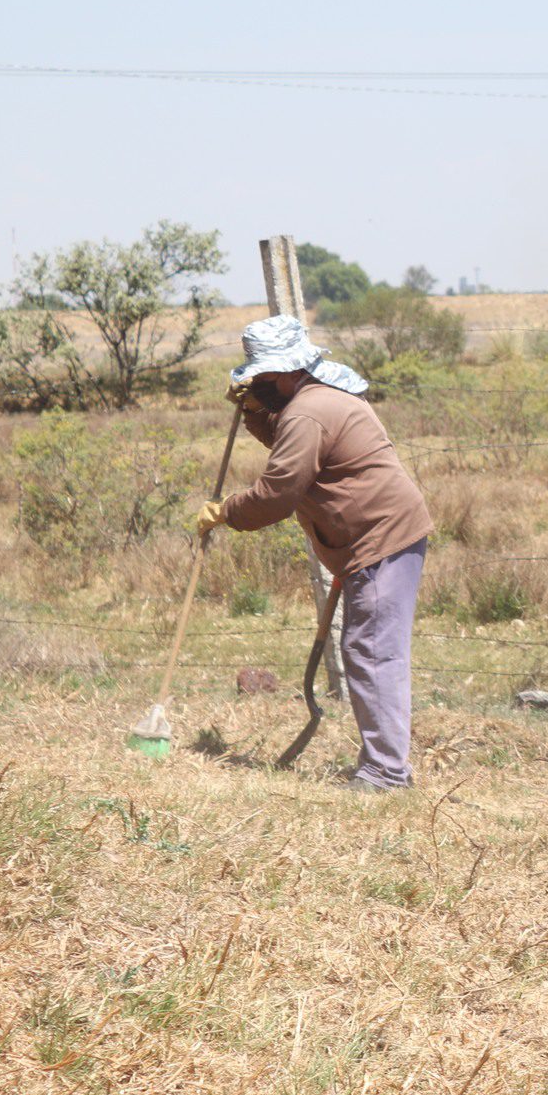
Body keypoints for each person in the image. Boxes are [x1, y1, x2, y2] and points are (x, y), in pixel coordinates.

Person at [195, 314, 433, 792]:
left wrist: (227, 512)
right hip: (375, 537)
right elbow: (292, 445)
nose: (256, 383)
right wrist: (254, 414)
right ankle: (384, 765)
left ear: (284, 373)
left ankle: (386, 773)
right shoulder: (314, 402)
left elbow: (279, 492)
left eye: (260, 378)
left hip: (379, 537)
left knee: (371, 652)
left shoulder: (308, 410)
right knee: (367, 649)